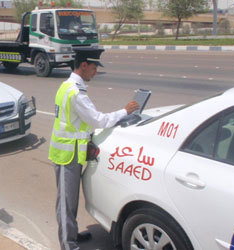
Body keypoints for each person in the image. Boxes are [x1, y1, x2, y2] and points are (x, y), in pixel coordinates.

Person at [48, 48, 139, 250]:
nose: (96, 72)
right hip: (67, 154)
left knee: (70, 200)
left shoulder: (68, 85)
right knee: (65, 203)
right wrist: (125, 111)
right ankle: (68, 244)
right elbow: (98, 120)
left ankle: (70, 235)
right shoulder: (75, 93)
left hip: (70, 152)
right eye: (94, 67)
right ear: (84, 66)